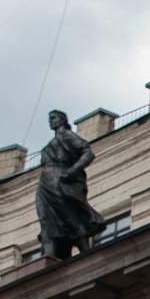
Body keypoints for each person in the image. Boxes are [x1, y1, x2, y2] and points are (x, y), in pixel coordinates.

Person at [32, 109, 102, 261]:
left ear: (63, 120)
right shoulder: (55, 140)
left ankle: (85, 252)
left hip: (60, 180)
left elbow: (88, 153)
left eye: (54, 117)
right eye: (49, 118)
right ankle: (48, 258)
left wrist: (73, 170)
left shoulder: (67, 135)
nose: (51, 120)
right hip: (46, 183)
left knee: (70, 215)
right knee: (46, 218)